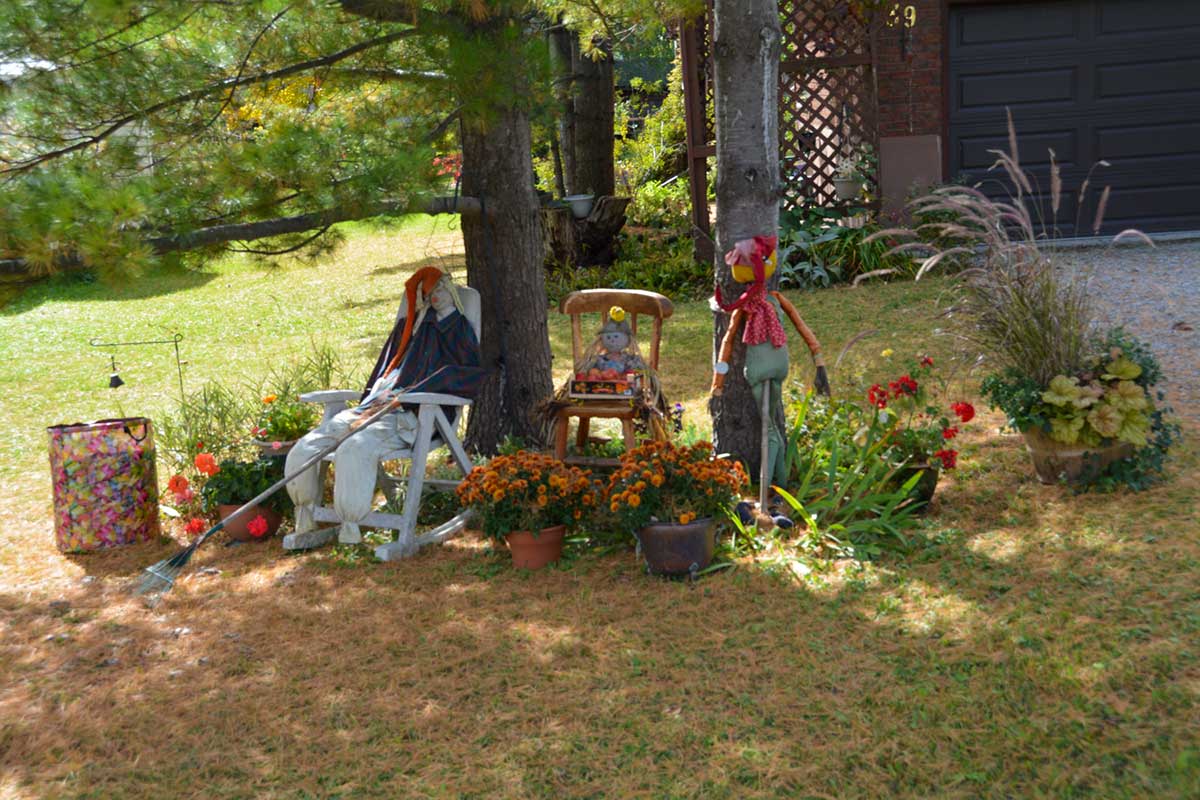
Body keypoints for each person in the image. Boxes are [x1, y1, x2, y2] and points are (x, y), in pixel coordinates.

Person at [285, 267, 484, 543]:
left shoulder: (457, 330)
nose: (434, 297)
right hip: (371, 409)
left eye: (439, 290)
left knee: (354, 448)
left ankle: (350, 527)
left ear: (450, 291)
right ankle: (306, 517)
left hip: (413, 416)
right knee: (306, 447)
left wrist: (413, 394)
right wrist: (378, 396)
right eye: (427, 294)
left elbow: (468, 374)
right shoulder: (408, 329)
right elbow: (386, 370)